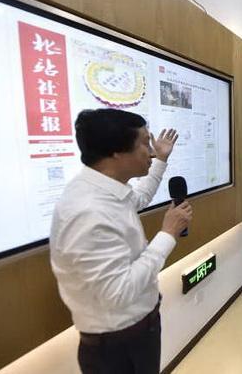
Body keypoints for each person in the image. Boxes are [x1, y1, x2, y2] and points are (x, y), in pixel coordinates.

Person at [50, 109, 193, 374]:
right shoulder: (87, 211)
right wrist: (168, 234)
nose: (151, 152)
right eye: (145, 144)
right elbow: (119, 293)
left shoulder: (105, 189)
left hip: (136, 332)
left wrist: (162, 160)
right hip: (117, 346)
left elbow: (140, 197)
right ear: (116, 152)